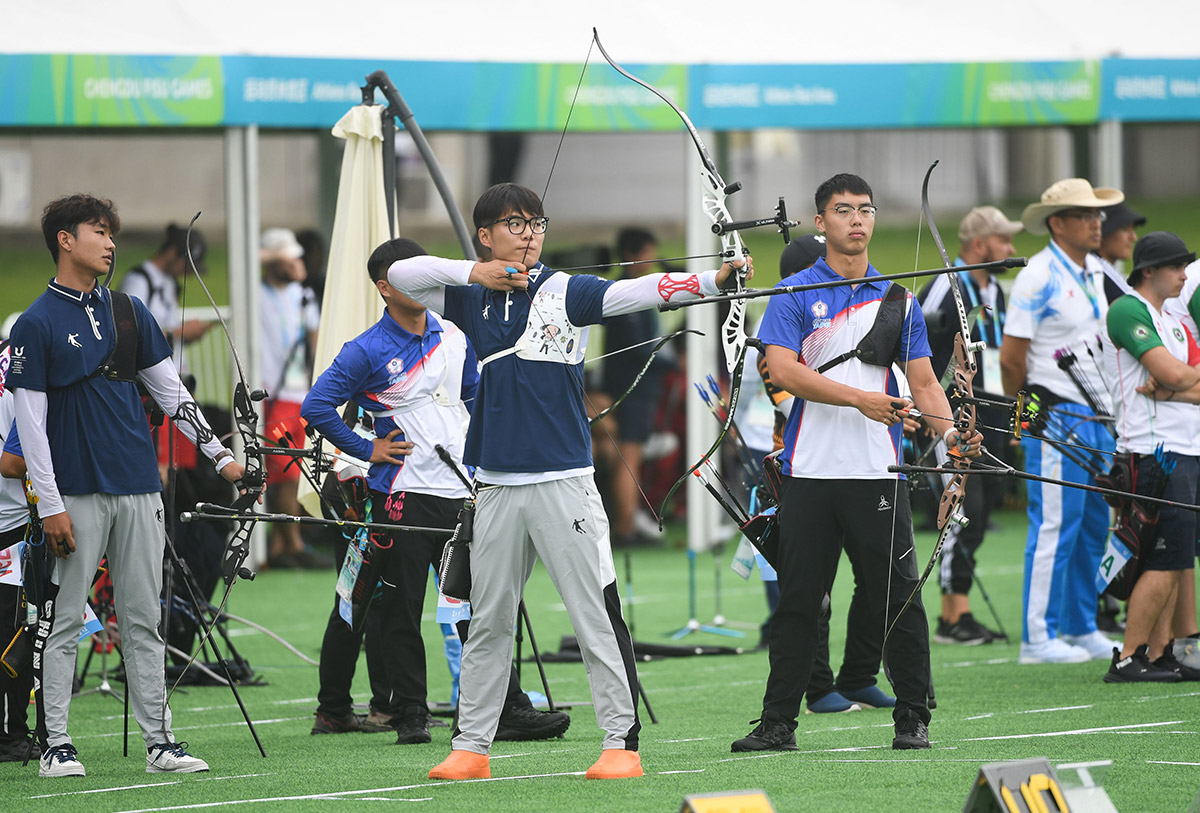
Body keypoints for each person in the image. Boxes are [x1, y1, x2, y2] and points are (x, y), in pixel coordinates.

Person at [388, 182, 749, 781]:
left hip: (564, 483)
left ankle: (619, 744)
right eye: (515, 224)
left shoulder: (564, 290)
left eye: (537, 223)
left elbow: (639, 291)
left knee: (593, 613)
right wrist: (477, 273)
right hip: (497, 485)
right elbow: (401, 272)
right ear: (485, 234)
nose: (530, 233)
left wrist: (714, 281)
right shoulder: (466, 296)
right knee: (488, 619)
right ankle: (472, 745)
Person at [732, 173, 982, 753]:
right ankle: (777, 725)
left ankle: (913, 716)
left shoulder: (898, 299)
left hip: (877, 476)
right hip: (811, 475)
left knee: (897, 596)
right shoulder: (794, 292)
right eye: (843, 210)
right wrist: (862, 399)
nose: (857, 219)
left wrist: (953, 447)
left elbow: (924, 384)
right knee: (798, 602)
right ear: (820, 223)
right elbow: (785, 371)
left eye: (865, 210)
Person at [6, 194, 244, 777]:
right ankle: (56, 743)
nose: (111, 243)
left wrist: (221, 458)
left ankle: (161, 742)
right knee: (64, 619)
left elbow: (171, 395)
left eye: (112, 233)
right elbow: (30, 430)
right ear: (65, 239)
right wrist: (53, 505)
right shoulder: (33, 324)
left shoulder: (131, 310)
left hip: (140, 487)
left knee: (143, 616)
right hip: (77, 493)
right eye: (99, 231)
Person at [302, 237, 570, 744]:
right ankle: (411, 715)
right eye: (410, 277)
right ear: (387, 287)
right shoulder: (365, 348)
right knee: (402, 610)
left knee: (482, 603)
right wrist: (367, 448)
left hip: (461, 491)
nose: (423, 285)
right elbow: (316, 406)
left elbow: (474, 395)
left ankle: (506, 706)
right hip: (401, 494)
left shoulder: (454, 334)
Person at [748, 232, 894, 714]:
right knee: (813, 587)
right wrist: (858, 399)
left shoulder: (850, 314)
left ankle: (858, 675)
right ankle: (817, 686)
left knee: (881, 580)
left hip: (862, 463)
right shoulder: (787, 320)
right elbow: (794, 403)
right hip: (802, 465)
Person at [1001, 179, 1123, 665]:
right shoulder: (1037, 276)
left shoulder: (1097, 268)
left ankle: (1080, 624)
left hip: (1098, 416)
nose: (1098, 223)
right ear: (1057, 223)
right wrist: (1025, 422)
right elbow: (1013, 360)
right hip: (1056, 419)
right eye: (1084, 215)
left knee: (1094, 524)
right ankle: (1037, 638)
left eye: (1097, 215)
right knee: (1055, 525)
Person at [918, 205, 1022, 645]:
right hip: (954, 415)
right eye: (1004, 240)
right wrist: (927, 409)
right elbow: (913, 339)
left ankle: (959, 608)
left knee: (984, 511)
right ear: (980, 245)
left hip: (991, 413)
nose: (1011, 248)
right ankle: (950, 616)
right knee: (963, 511)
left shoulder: (994, 287)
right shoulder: (948, 284)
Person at [1101, 231, 1200, 682]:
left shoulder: (1175, 323)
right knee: (1159, 559)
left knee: (1177, 558)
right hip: (1152, 451)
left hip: (1183, 448)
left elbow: (1182, 380)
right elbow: (1175, 373)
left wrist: (1175, 389)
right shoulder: (1127, 309)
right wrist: (1177, 383)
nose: (1184, 275)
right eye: (1176, 267)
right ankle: (1127, 656)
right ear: (1149, 272)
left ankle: (1160, 654)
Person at [600, 227, 675, 547]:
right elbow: (638, 348)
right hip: (631, 389)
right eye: (648, 252)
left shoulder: (632, 288)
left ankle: (626, 523)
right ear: (632, 255)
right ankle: (626, 527)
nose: (652, 260)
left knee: (630, 458)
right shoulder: (624, 291)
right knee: (629, 458)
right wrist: (674, 363)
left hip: (636, 388)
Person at [258, 227, 324, 569]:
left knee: (292, 466)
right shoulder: (254, 293)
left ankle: (285, 542)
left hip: (300, 391)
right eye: (288, 257)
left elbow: (313, 339)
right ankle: (283, 542)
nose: (296, 263)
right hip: (273, 391)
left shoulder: (303, 295)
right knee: (281, 467)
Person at [0, 342, 37, 763]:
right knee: (17, 627)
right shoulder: (25, 366)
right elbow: (14, 461)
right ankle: (11, 732)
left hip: (12, 519)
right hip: (14, 522)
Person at [1094, 202, 1147, 304]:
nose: (1133, 237)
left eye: (1133, 229)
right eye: (1125, 229)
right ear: (1103, 232)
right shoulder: (1096, 274)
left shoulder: (1103, 270)